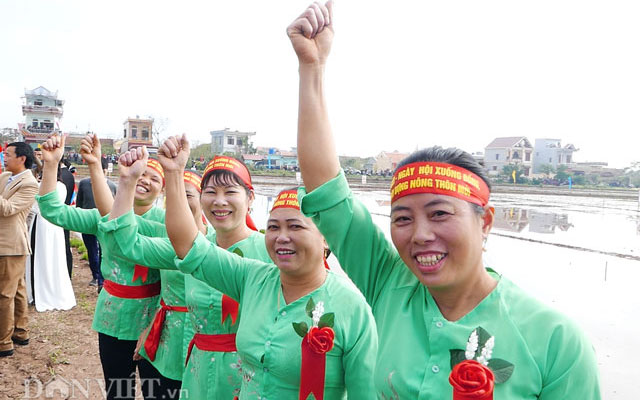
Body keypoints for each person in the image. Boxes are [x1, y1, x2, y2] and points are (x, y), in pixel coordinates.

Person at [288, 2, 601, 399]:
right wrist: (311, 69)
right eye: (402, 218)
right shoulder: (390, 287)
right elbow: (327, 189)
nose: (420, 235)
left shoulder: (554, 340)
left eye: (439, 213)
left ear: (485, 221)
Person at [137, 135, 378, 399]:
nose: (282, 237)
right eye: (273, 227)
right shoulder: (251, 278)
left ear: (326, 238)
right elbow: (189, 245)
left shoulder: (352, 309)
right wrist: (173, 174)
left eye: (295, 226)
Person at [101, 151, 272, 399]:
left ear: (250, 198)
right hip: (197, 374)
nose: (219, 201)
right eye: (211, 192)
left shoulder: (270, 252)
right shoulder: (192, 248)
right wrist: (127, 183)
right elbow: (126, 245)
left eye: (230, 192)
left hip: (250, 380)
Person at [37, 134, 166, 400]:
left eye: (154, 179)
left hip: (155, 319)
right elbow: (53, 211)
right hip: (114, 317)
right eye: (142, 175)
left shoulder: (168, 224)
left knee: (157, 392)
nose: (145, 181)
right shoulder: (104, 216)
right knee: (118, 391)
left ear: (162, 190)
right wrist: (51, 166)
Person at [0, 142, 38, 358]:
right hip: (7, 242)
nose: (5, 157)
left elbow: (8, 209)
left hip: (11, 244)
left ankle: (4, 342)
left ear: (22, 158)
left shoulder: (30, 183)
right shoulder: (6, 177)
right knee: (17, 290)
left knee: (4, 294)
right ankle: (21, 332)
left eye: (8, 154)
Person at [25, 161, 76, 312]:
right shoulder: (42, 185)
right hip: (38, 225)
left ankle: (48, 292)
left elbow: (43, 207)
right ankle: (34, 291)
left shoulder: (59, 187)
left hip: (49, 226)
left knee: (49, 257)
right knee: (36, 257)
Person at [76, 136, 117, 290]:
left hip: (105, 223)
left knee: (104, 251)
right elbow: (79, 203)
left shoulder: (112, 186)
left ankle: (102, 279)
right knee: (92, 250)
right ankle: (95, 276)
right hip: (88, 223)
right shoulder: (85, 183)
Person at [59, 159, 76, 278]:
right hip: (63, 214)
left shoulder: (63, 175)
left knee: (64, 246)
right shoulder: (67, 174)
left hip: (61, 215)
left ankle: (66, 274)